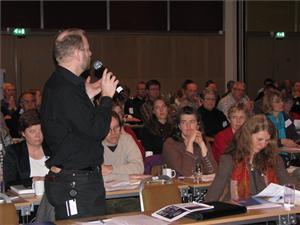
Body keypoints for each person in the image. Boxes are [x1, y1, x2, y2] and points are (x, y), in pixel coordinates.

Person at [41, 28, 118, 219]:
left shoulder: (63, 85)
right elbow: (97, 130)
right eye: (87, 48)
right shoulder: (66, 90)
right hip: (76, 183)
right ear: (77, 52)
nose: (90, 53)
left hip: (75, 180)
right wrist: (107, 98)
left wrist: (87, 96)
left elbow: (75, 126)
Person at [206, 115, 300, 202]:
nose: (263, 144)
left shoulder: (273, 158)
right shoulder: (229, 159)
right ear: (247, 136)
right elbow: (216, 188)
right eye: (259, 139)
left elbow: (288, 183)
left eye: (267, 140)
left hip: (269, 210)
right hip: (239, 211)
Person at [162, 106, 216, 177]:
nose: (188, 125)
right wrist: (190, 143)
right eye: (184, 122)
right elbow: (187, 173)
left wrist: (202, 146)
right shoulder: (170, 144)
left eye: (192, 122)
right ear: (179, 126)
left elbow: (213, 171)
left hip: (201, 186)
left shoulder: (202, 141)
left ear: (197, 126)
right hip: (177, 186)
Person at [3, 109, 48, 188]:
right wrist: (33, 180)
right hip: (28, 198)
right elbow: (9, 183)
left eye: (41, 130)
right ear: (23, 133)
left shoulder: (52, 148)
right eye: (32, 131)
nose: (38, 135)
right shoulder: (14, 152)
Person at [101, 112, 144, 182]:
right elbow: (98, 177)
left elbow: (139, 168)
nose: (113, 132)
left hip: (129, 190)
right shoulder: (95, 145)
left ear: (121, 127)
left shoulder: (127, 139)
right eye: (109, 129)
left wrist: (111, 169)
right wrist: (128, 177)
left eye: (116, 127)